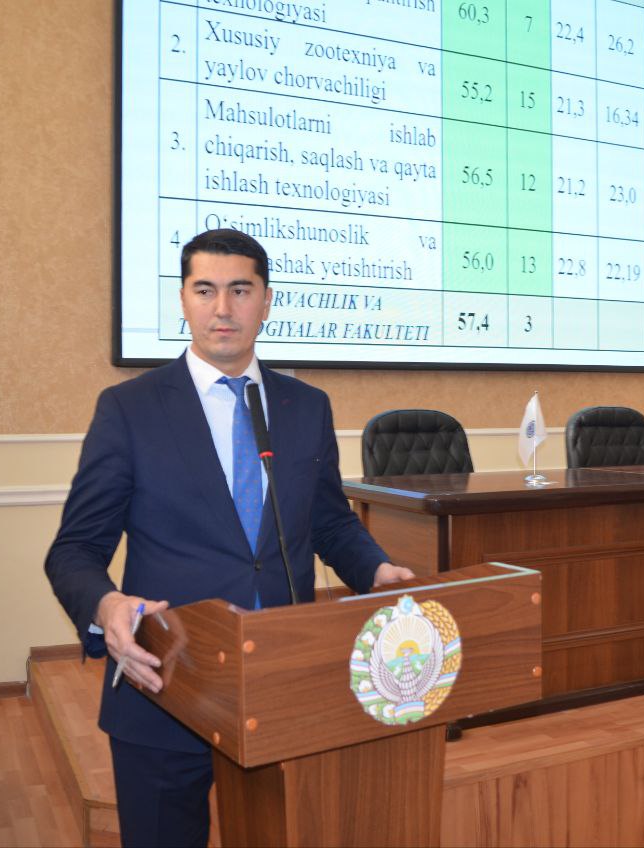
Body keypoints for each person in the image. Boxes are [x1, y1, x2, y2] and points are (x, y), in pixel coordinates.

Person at [45, 228, 413, 847]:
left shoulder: (306, 406)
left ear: (266, 301)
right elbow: (75, 551)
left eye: (240, 291)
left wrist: (377, 571)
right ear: (183, 300)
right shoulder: (129, 408)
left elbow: (328, 522)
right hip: (167, 681)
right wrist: (107, 607)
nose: (223, 308)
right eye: (205, 290)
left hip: (283, 679)